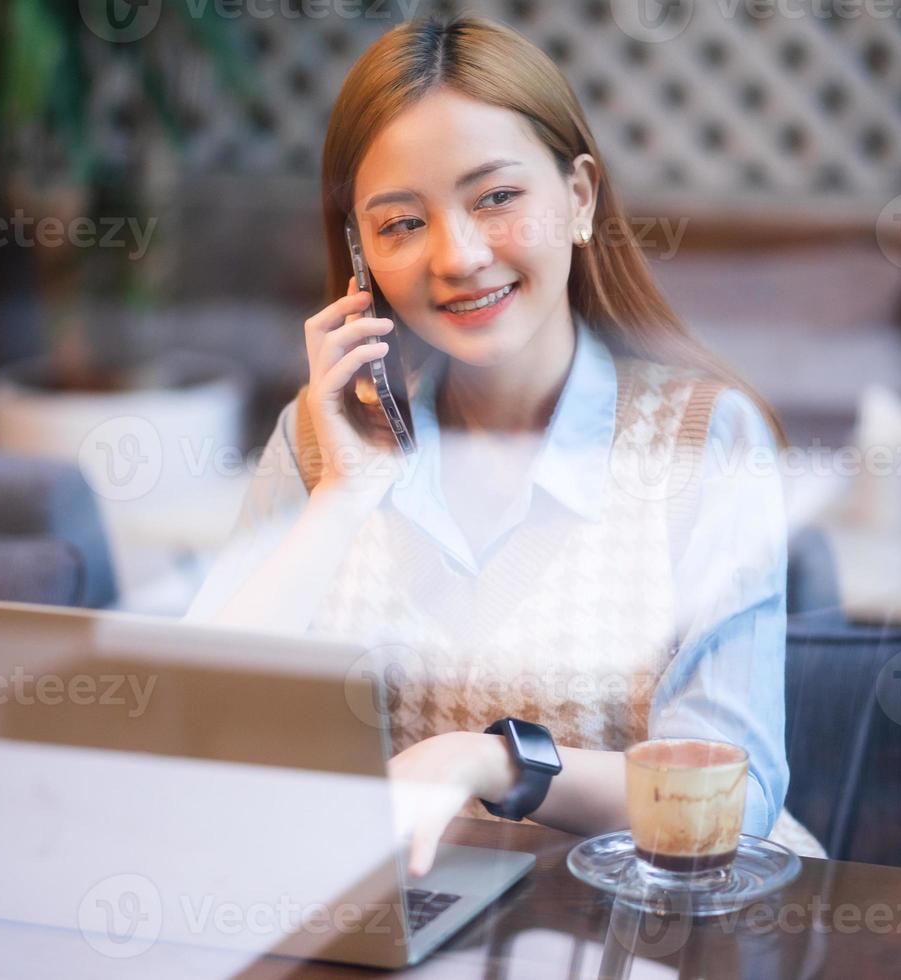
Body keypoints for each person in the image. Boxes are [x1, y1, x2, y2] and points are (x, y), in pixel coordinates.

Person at [186, 14, 823, 874]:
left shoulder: (702, 442)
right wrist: (341, 499)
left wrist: (492, 760)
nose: (458, 255)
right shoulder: (322, 437)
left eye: (496, 197)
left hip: (658, 930)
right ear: (359, 255)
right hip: (414, 926)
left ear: (580, 199)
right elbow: (193, 729)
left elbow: (735, 796)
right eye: (402, 223)